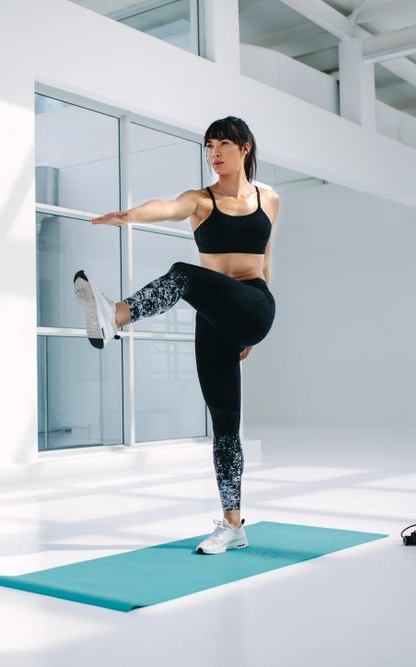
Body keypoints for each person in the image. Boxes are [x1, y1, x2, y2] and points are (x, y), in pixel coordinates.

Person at [72, 116, 278, 555]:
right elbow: (165, 206)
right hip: (214, 319)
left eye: (223, 143)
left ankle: (118, 314)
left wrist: (254, 333)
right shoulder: (200, 200)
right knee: (225, 426)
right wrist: (131, 215)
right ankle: (234, 525)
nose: (214, 152)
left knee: (184, 274)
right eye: (208, 146)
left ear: (245, 148)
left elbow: (266, 260)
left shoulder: (269, 199)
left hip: (255, 304)